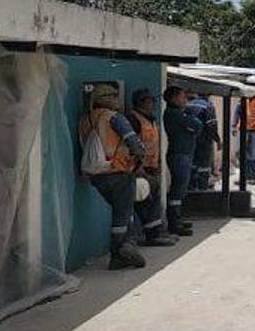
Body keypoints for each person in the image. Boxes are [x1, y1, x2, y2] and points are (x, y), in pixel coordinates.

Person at [78, 83, 149, 269]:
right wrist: (139, 161)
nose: (118, 99)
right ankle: (121, 250)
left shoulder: (86, 119)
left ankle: (123, 251)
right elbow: (135, 144)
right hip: (118, 171)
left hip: (96, 176)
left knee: (123, 211)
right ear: (107, 99)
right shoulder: (114, 118)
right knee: (122, 214)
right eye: (114, 96)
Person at [125, 88, 177, 247]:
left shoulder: (150, 119)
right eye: (150, 101)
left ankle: (154, 233)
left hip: (151, 167)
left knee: (151, 200)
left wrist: (159, 164)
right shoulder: (133, 119)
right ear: (141, 102)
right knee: (144, 202)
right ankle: (151, 236)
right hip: (138, 169)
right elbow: (130, 146)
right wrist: (137, 167)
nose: (153, 104)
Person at [163, 86, 201, 237]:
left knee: (182, 188)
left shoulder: (181, 113)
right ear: (173, 98)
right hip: (179, 154)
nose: (185, 99)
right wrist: (191, 126)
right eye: (182, 96)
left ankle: (177, 219)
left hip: (184, 153)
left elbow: (197, 127)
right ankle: (174, 222)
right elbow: (197, 125)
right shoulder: (173, 114)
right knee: (178, 189)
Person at [185, 91, 221, 191]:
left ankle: (191, 187)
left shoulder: (188, 105)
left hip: (190, 139)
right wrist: (217, 140)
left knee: (192, 163)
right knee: (204, 166)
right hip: (204, 139)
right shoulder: (208, 106)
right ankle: (202, 188)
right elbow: (211, 125)